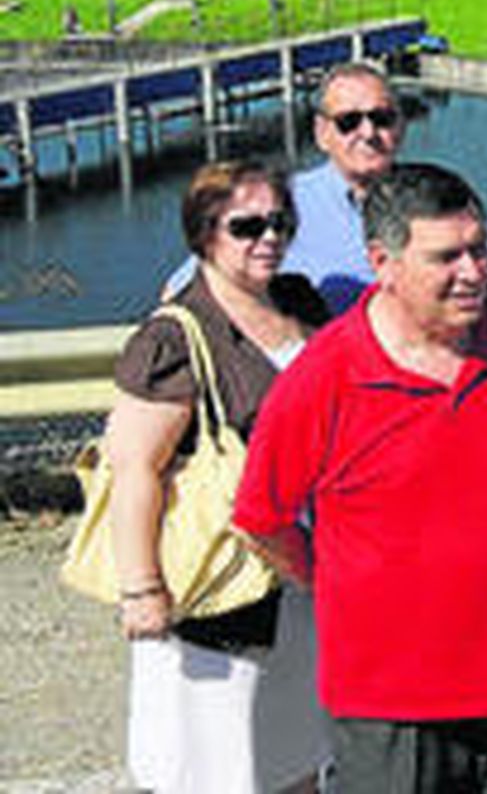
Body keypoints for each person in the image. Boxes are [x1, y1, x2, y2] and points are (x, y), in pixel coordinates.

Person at [233, 163, 487, 794]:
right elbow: (263, 518)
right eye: (446, 257)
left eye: (479, 249)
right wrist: (331, 580)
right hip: (391, 707)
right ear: (382, 263)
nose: (473, 271)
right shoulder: (326, 375)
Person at [105, 159, 332, 794]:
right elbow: (134, 468)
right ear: (204, 233)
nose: (269, 238)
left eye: (280, 223)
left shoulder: (301, 302)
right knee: (217, 764)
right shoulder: (173, 337)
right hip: (220, 585)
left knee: (297, 752)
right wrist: (141, 589)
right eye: (247, 226)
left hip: (304, 571)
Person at [164, 61, 405, 313]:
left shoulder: (428, 200)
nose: (368, 132)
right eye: (349, 121)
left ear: (401, 125)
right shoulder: (278, 202)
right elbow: (180, 290)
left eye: (382, 119)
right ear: (321, 133)